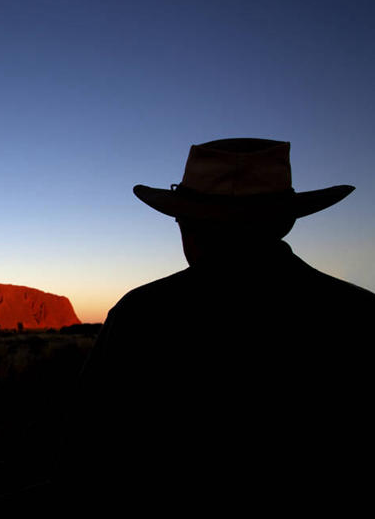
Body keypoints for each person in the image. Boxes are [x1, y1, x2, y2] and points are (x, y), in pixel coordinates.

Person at [62, 138, 374, 513]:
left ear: (186, 224)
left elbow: (89, 443)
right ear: (285, 223)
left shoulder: (143, 314)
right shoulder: (358, 313)